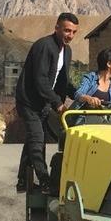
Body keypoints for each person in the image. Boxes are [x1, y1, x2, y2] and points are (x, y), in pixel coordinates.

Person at [14, 12, 79, 193]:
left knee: (33, 141)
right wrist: (58, 104)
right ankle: (45, 180)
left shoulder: (67, 51)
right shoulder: (44, 46)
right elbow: (40, 80)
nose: (70, 35)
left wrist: (79, 95)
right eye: (67, 30)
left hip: (43, 103)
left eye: (74, 32)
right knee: (37, 140)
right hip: (28, 102)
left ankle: (21, 181)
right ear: (57, 28)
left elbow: (62, 82)